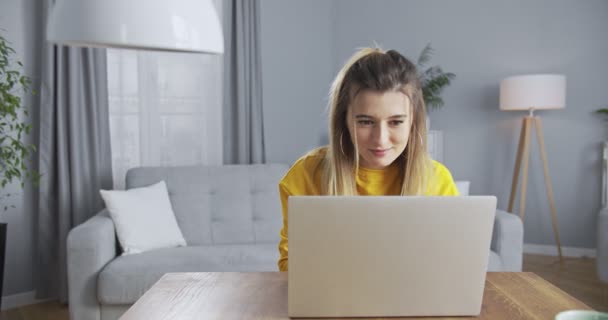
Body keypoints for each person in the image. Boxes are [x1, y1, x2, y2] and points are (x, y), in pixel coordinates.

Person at [277, 47, 459, 272]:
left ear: (413, 121)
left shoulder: (437, 180)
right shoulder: (305, 175)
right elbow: (291, 266)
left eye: (396, 122)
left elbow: (449, 266)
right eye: (365, 122)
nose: (380, 140)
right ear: (344, 119)